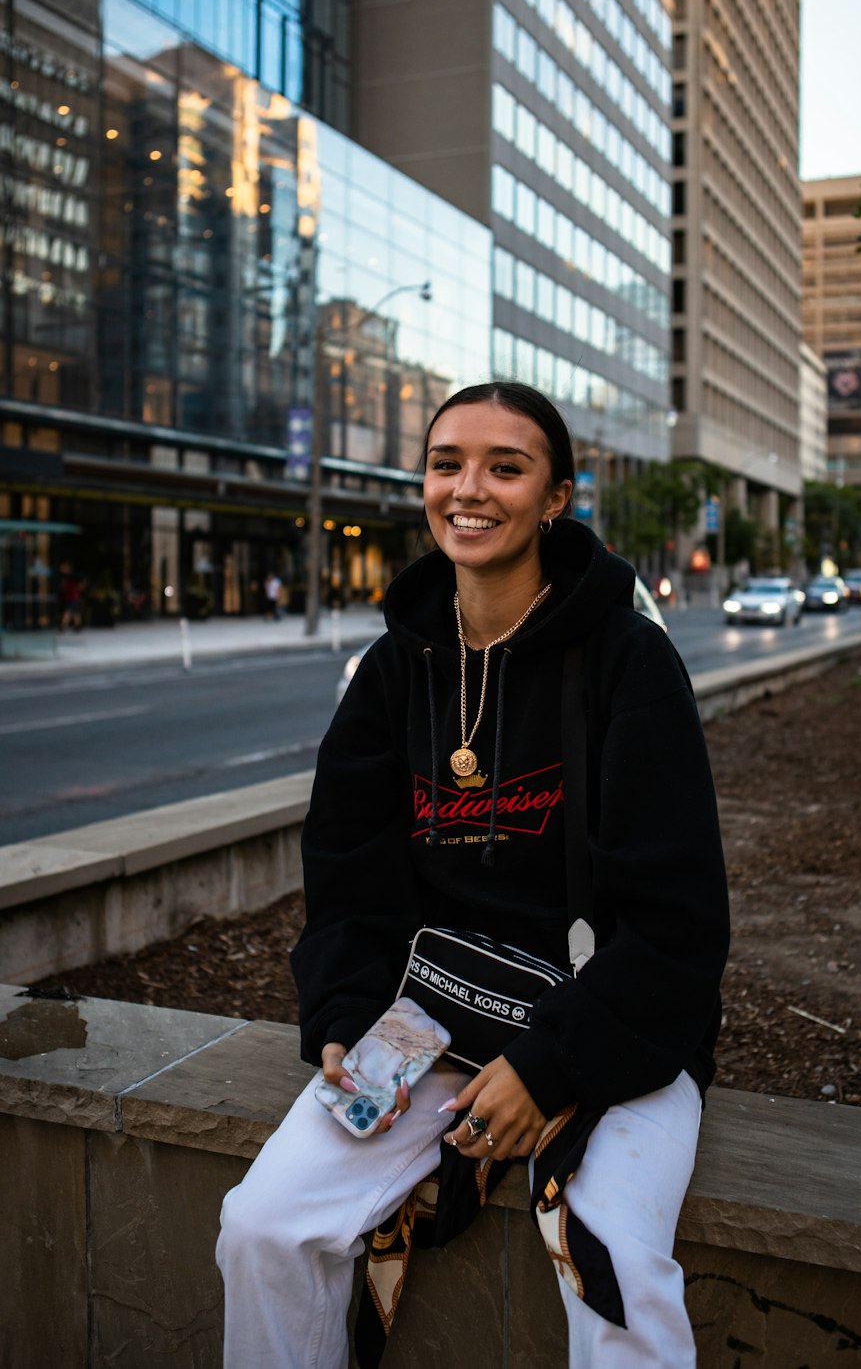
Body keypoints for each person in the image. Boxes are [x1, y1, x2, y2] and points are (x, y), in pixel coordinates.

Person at [216, 383, 729, 1368]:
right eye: (447, 462)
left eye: (506, 466)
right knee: (263, 1227)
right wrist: (341, 1011)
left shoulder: (629, 662)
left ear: (556, 498)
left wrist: (550, 1066)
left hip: (602, 1016)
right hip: (427, 1016)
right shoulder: (390, 671)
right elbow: (349, 880)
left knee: (613, 1262)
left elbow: (679, 926)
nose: (469, 488)